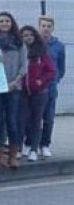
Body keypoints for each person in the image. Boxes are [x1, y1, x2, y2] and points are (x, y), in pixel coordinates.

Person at [0, 12, 27, 169]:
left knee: (12, 120)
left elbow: (24, 65)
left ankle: (14, 154)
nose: (4, 23)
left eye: (7, 20)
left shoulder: (19, 42)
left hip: (14, 87)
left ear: (12, 23)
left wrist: (15, 82)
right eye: (1, 21)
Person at [19, 25, 56, 162]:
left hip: (39, 92)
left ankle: (34, 149)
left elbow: (51, 71)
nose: (27, 38)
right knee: (23, 120)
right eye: (24, 35)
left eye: (30, 35)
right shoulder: (20, 51)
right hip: (23, 92)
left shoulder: (41, 52)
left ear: (34, 37)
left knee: (36, 121)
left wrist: (41, 81)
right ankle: (22, 146)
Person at [38, 16, 65, 158]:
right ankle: (30, 143)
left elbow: (61, 67)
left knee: (48, 117)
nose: (46, 28)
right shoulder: (33, 43)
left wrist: (54, 79)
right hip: (35, 87)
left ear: (52, 28)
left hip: (51, 87)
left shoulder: (58, 46)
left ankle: (45, 144)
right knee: (33, 118)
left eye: (49, 26)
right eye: (43, 25)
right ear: (39, 27)